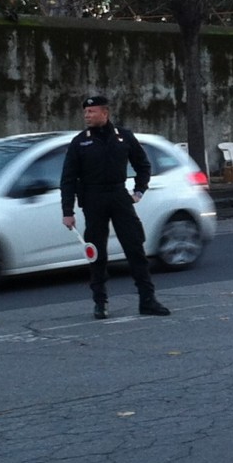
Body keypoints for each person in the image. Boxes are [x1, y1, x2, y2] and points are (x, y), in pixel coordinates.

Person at [60, 95, 170, 319]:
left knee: (135, 248)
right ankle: (100, 302)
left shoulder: (124, 137)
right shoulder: (80, 142)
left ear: (105, 113)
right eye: (85, 113)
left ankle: (147, 300)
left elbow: (143, 165)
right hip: (93, 199)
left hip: (120, 197)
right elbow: (68, 179)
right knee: (97, 254)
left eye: (91, 112)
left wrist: (139, 191)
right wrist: (67, 212)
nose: (87, 116)